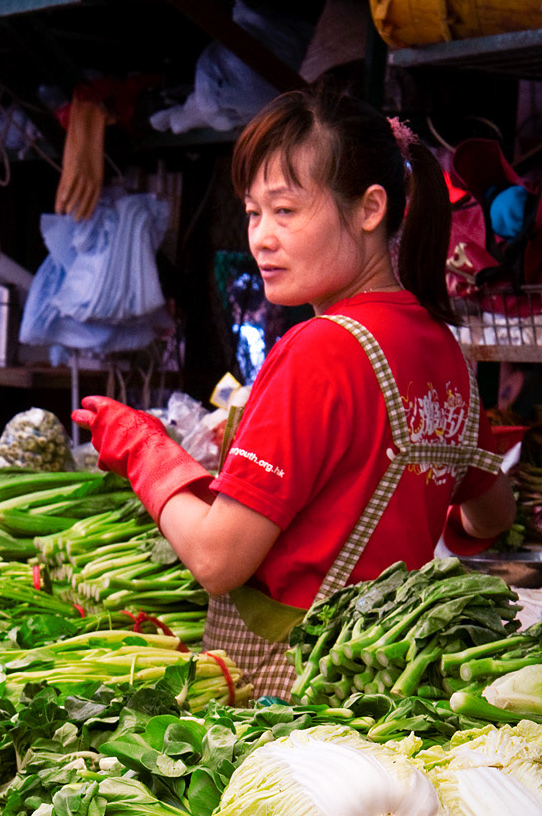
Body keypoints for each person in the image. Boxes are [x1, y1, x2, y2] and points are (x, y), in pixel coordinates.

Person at [73, 85, 516, 698]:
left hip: (294, 689)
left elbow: (218, 559)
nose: (260, 237)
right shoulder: (448, 352)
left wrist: (142, 449)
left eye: (285, 210)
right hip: (391, 686)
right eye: (254, 212)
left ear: (369, 209)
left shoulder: (321, 349)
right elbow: (492, 516)